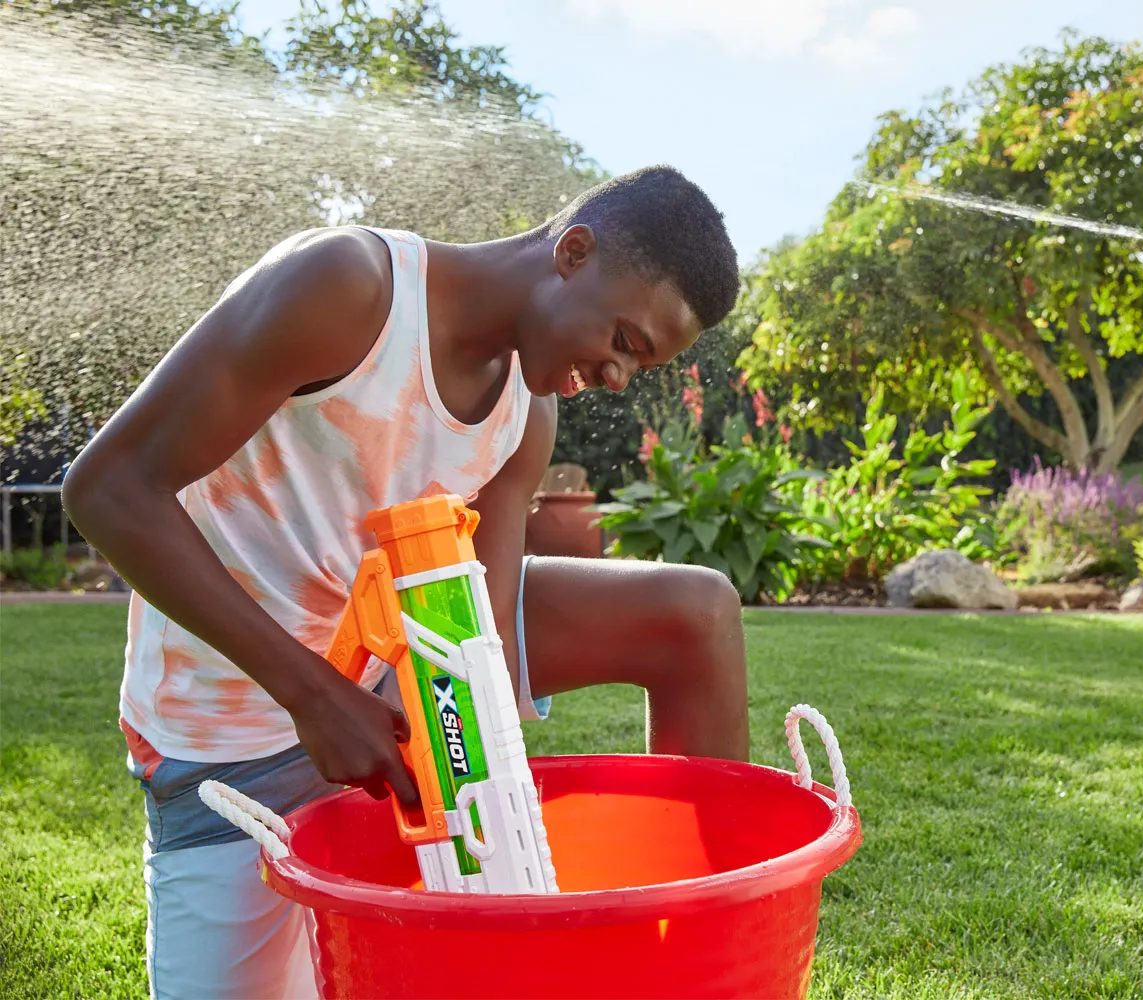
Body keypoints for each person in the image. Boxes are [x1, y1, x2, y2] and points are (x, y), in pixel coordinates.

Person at [63, 165, 751, 999]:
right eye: (626, 342)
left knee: (692, 612)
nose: (618, 377)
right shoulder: (349, 289)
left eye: (640, 365)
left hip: (387, 688)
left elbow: (481, 642)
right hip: (231, 732)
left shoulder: (527, 414)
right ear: (573, 253)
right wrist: (317, 696)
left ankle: (709, 968)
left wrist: (486, 798)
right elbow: (106, 489)